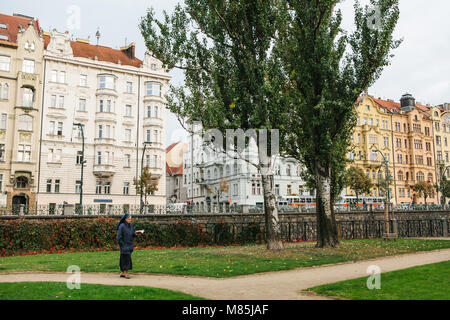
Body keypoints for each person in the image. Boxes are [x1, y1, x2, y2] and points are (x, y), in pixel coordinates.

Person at [116, 213, 142, 279]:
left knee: (124, 258)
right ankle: (126, 273)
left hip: (129, 244)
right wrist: (122, 245)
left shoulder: (131, 225)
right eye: (129, 219)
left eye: (131, 219)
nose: (130, 220)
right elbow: (119, 237)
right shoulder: (121, 226)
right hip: (124, 245)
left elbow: (132, 233)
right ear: (125, 219)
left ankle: (122, 272)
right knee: (126, 258)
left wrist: (136, 234)